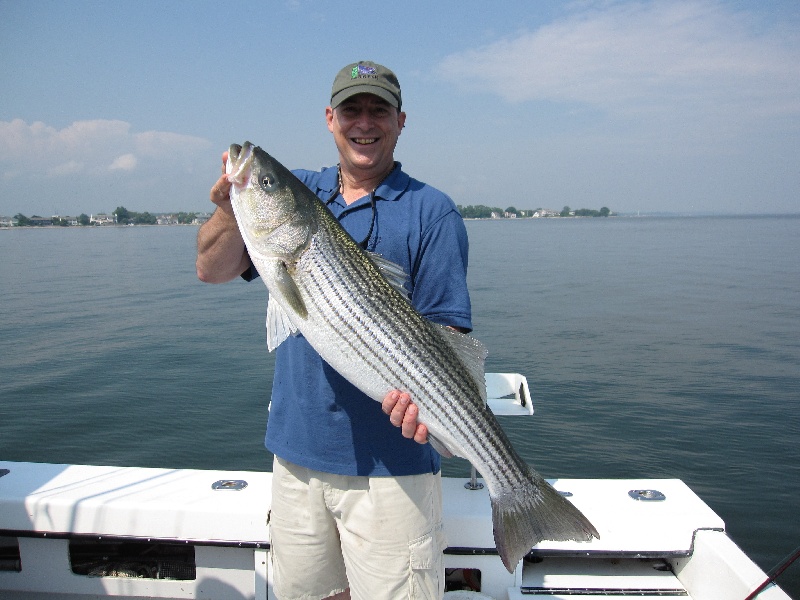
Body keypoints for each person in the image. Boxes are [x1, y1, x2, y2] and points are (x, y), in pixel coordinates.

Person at [196, 61, 472, 600]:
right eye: (351, 110)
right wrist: (235, 208)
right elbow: (211, 270)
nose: (364, 123)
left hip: (394, 469)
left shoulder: (432, 211)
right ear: (330, 119)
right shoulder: (301, 193)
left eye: (378, 110)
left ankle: (521, 500)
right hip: (296, 458)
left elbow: (449, 334)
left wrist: (433, 404)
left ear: (400, 121)